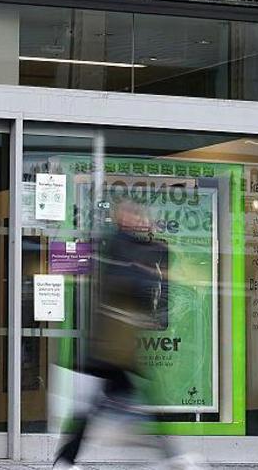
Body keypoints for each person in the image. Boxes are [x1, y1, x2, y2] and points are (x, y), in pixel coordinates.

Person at [53, 200, 202, 470]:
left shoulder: (132, 245)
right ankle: (170, 456)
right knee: (129, 403)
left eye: (141, 216)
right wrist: (149, 269)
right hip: (111, 345)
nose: (141, 220)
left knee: (100, 407)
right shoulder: (118, 245)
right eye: (135, 215)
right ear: (123, 217)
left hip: (117, 346)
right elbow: (128, 282)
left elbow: (145, 283)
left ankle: (66, 460)